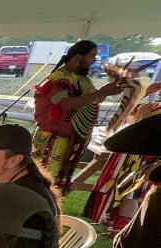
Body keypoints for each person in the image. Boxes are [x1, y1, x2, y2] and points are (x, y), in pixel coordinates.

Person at [32, 40, 123, 194]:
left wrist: (104, 92)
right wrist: (101, 93)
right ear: (78, 58)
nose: (95, 59)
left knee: (57, 183)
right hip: (53, 140)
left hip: (71, 139)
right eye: (92, 55)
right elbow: (64, 104)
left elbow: (89, 101)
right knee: (45, 181)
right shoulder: (58, 79)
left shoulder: (81, 79)